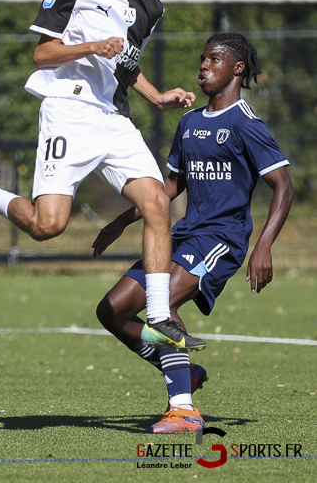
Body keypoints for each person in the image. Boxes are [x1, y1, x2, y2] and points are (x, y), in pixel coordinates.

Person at [0, 0, 205, 350]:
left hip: (114, 118)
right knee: (48, 226)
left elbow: (125, 64)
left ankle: (160, 315)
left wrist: (157, 96)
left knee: (157, 204)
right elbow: (42, 54)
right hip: (68, 109)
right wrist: (91, 46)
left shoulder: (151, 5)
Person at [93, 33, 293, 433]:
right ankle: (185, 373)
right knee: (112, 310)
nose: (203, 65)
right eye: (203, 58)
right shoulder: (189, 122)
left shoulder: (245, 123)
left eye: (214, 59)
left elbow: (283, 186)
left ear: (237, 68)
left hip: (221, 240)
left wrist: (264, 245)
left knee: (162, 305)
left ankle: (183, 410)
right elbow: (168, 189)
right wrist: (121, 221)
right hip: (184, 235)